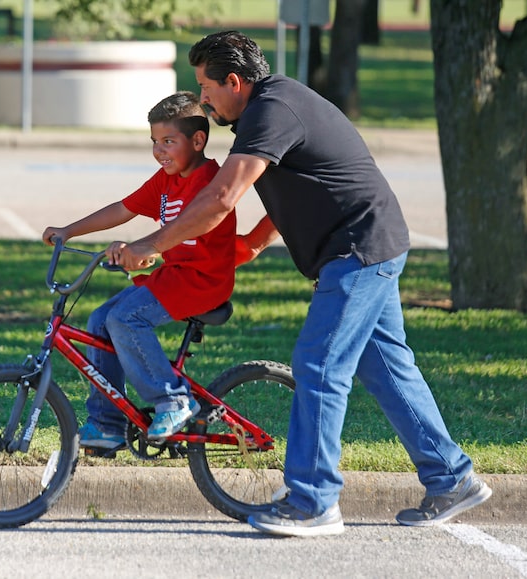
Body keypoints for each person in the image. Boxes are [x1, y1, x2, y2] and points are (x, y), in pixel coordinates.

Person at [112, 31, 492, 537]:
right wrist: (252, 246)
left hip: (358, 250)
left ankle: (313, 501)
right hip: (363, 248)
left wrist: (152, 244)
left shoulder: (273, 109)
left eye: (206, 87)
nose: (202, 98)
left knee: (319, 364)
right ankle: (452, 477)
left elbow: (222, 197)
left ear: (234, 81)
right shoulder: (265, 112)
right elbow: (299, 186)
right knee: (385, 369)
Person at [42, 91, 236, 448]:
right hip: (175, 276)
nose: (160, 151)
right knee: (100, 319)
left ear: (198, 140)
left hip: (202, 281)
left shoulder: (209, 181)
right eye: (154, 142)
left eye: (168, 141)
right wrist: (69, 230)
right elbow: (123, 208)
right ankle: (107, 423)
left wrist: (141, 247)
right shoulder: (166, 180)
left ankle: (173, 399)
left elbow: (189, 227)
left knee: (125, 319)